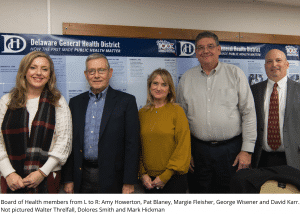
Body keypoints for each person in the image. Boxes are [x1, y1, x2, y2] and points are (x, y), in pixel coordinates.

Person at [177, 31, 257, 193]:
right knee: (199, 194)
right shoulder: (186, 78)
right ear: (196, 52)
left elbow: (248, 113)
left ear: (219, 49)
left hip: (231, 150)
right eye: (200, 47)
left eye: (210, 46)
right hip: (198, 150)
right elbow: (181, 119)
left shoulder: (235, 74)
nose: (205, 50)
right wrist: (186, 152)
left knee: (230, 195)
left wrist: (247, 150)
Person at [62, 53, 139, 193]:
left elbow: (132, 144)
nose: (96, 75)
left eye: (101, 70)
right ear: (86, 75)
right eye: (92, 71)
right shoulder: (75, 103)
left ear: (110, 73)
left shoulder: (126, 101)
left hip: (114, 178)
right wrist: (69, 179)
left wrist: (129, 181)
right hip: (82, 176)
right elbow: (70, 143)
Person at [0, 51, 72, 193]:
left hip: (48, 177)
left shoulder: (58, 102)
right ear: (24, 71)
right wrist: (8, 172)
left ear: (49, 75)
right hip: (12, 180)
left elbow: (64, 143)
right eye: (33, 67)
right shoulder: (7, 101)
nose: (39, 73)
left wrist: (42, 172)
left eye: (44, 69)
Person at [139, 68, 191, 193]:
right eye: (155, 83)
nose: (159, 88)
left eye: (164, 84)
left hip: (173, 178)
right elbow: (137, 146)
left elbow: (183, 146)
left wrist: (165, 176)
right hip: (148, 181)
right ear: (149, 86)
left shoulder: (177, 111)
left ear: (169, 89)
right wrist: (142, 174)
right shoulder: (141, 113)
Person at [251, 49, 300, 170]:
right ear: (265, 66)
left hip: (293, 158)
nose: (274, 65)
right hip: (261, 158)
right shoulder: (253, 91)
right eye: (269, 61)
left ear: (287, 64)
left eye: (278, 60)